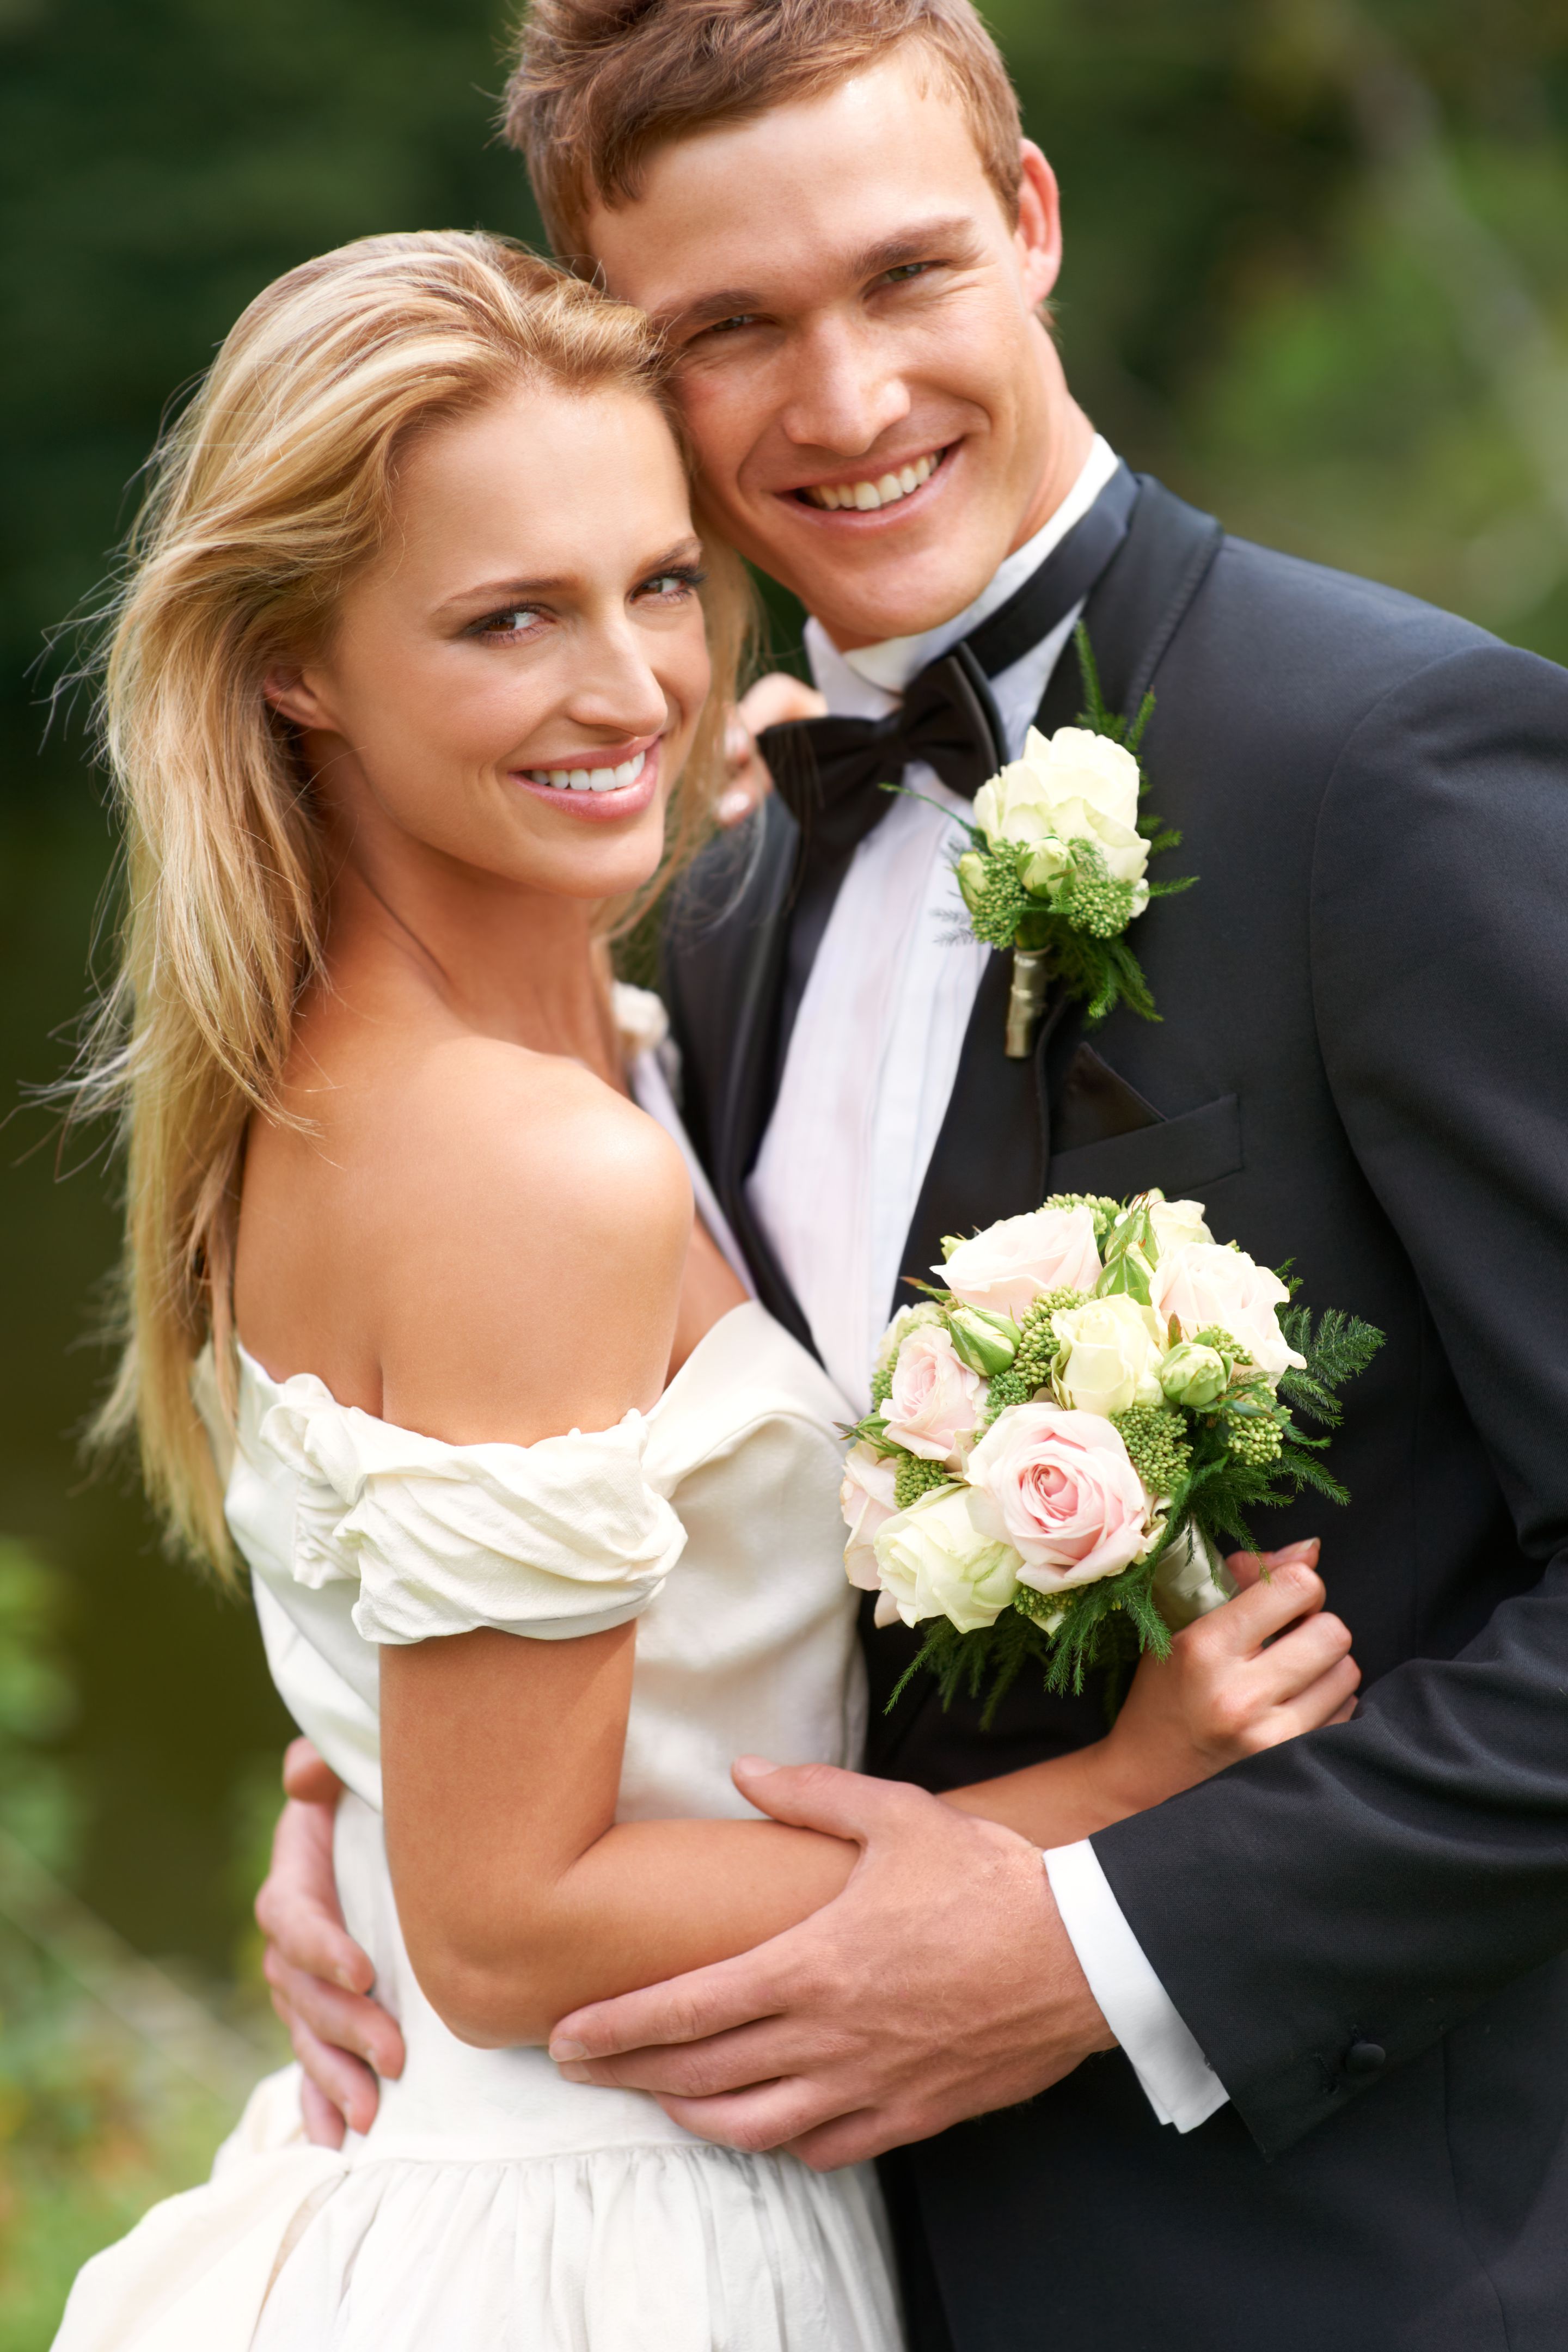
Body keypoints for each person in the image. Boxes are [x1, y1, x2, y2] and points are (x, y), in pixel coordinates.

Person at [258, 5, 1568, 2347]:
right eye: (731, 330)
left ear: (1036, 221)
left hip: (1331, 2269)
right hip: (791, 2257)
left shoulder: (1398, 769)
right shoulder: (719, 878)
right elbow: (672, 1520)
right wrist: (367, 1779)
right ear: (621, 357)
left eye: (907, 278)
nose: (845, 403)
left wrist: (1103, 1943)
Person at [48, 228, 1355, 2350]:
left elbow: (445, 1659)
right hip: (586, 2237)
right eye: (508, 621)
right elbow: (507, 1927)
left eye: (656, 582)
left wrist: (348, 1794)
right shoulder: (517, 1159)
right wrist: (1109, 1799)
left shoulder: (460, 1056)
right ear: (295, 660)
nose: (631, 686)